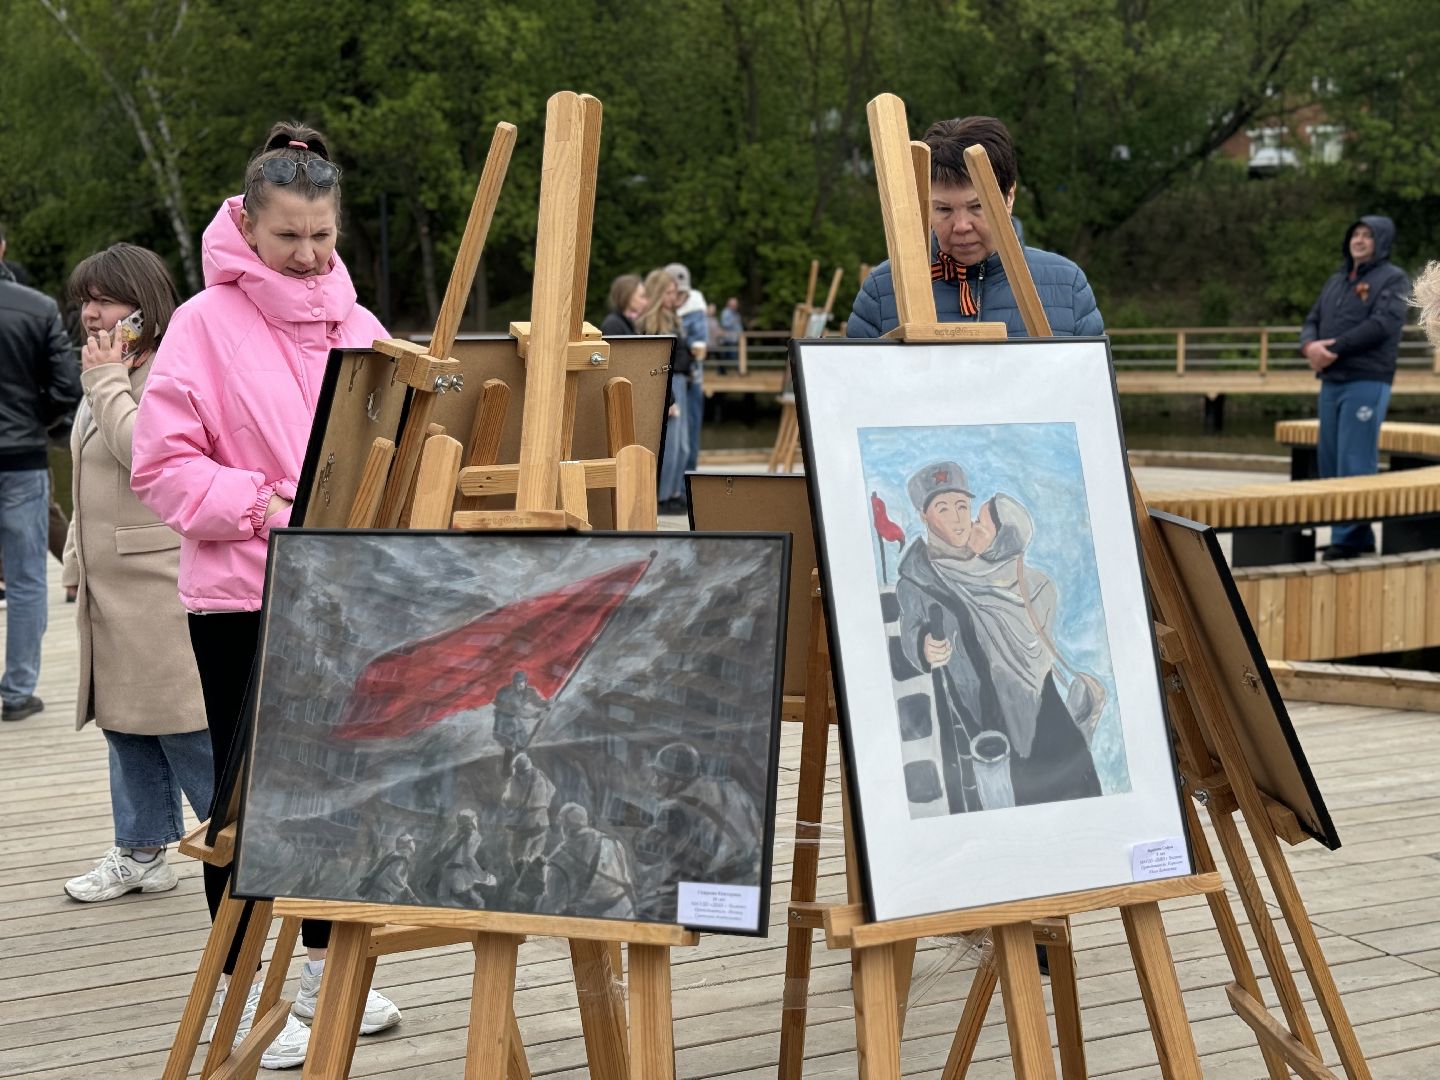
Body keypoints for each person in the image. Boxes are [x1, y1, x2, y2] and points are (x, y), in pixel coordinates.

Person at [130, 120, 400, 1067]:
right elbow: (160, 470)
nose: (307, 253)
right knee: (248, 811)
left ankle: (331, 972)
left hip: (349, 594)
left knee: (346, 794)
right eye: (289, 235)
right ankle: (255, 1004)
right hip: (242, 598)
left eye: (323, 235)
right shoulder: (202, 325)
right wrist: (267, 505)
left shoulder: (360, 326)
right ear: (246, 223)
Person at [58, 244, 214, 904]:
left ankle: (244, 854)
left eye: (105, 300)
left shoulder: (166, 374)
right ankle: (143, 847)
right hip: (108, 583)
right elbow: (88, 470)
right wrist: (72, 557)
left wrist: (104, 383)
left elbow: (146, 455)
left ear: (143, 307)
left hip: (158, 583)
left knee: (188, 731)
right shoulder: (111, 369)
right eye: (85, 301)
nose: (91, 313)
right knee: (124, 723)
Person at [894, 461, 1102, 814]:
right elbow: (911, 628)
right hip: (983, 715)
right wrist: (923, 647)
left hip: (1041, 701)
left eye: (963, 507)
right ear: (923, 516)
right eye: (943, 509)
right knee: (1017, 801)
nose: (959, 519)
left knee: (1076, 790)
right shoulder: (919, 579)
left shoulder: (993, 559)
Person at [847, 116, 1102, 338]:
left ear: (1009, 197)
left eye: (977, 206)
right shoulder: (883, 289)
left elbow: (1092, 389)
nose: (961, 226)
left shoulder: (1066, 285)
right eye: (943, 209)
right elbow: (852, 388)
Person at [0, 223, 80, 722]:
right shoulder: (35, 307)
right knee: (29, 579)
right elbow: (68, 387)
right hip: (21, 457)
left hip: (23, 451)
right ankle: (17, 692)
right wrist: (40, 423)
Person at [1300, 216, 1411, 559]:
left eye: (1367, 235)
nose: (1359, 240)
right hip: (1331, 381)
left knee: (1355, 458)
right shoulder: (1336, 281)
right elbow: (1312, 320)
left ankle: (1347, 540)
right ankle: (1353, 535)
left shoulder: (1393, 279)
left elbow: (1382, 325)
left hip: (1367, 380)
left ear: (1381, 241)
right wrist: (1309, 347)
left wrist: (1333, 348)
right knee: (1331, 459)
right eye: (1355, 234)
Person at [636, 268, 691, 513]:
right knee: (670, 442)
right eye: (668, 292)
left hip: (681, 378)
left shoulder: (673, 318)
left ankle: (673, 491)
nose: (672, 296)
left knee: (683, 445)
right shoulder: (651, 321)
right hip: (670, 378)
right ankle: (662, 495)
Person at [538, 803, 637, 918]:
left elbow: (552, 907)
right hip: (626, 913)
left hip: (594, 922)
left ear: (564, 828)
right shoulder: (613, 843)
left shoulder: (559, 859)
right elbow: (627, 881)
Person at [665, 263, 708, 475]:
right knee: (675, 435)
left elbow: (700, 343)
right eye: (674, 292)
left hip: (690, 377)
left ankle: (686, 485)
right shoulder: (662, 312)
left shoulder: (695, 309)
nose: (678, 297)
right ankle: (674, 487)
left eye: (681, 292)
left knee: (689, 431)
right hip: (674, 376)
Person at [502, 752, 557, 867]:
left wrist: (505, 799)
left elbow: (510, 800)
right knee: (535, 856)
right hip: (543, 821)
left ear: (517, 768)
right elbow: (552, 789)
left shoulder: (516, 779)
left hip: (526, 823)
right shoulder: (540, 774)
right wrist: (544, 803)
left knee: (517, 857)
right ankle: (534, 881)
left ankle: (522, 883)